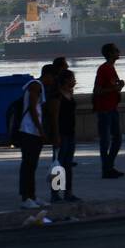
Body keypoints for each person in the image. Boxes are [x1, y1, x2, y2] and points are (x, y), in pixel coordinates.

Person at [16, 65, 53, 209]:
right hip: (28, 131)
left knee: (32, 165)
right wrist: (41, 129)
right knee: (28, 165)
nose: (52, 82)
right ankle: (26, 198)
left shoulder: (38, 87)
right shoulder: (35, 86)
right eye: (53, 78)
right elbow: (32, 109)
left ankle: (32, 196)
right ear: (48, 75)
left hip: (33, 132)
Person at [92, 43, 125, 179]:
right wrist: (115, 89)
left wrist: (119, 86)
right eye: (116, 50)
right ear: (110, 53)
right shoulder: (104, 69)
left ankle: (109, 166)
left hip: (112, 108)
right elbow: (98, 90)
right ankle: (106, 169)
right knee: (106, 141)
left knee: (116, 139)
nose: (119, 52)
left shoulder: (111, 68)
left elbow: (112, 87)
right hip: (105, 109)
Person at [51, 70, 80, 203]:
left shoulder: (70, 93)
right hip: (61, 133)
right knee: (59, 165)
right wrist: (56, 136)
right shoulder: (58, 96)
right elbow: (54, 117)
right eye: (72, 78)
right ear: (65, 80)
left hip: (70, 132)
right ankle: (55, 194)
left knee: (67, 165)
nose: (74, 81)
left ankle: (68, 192)